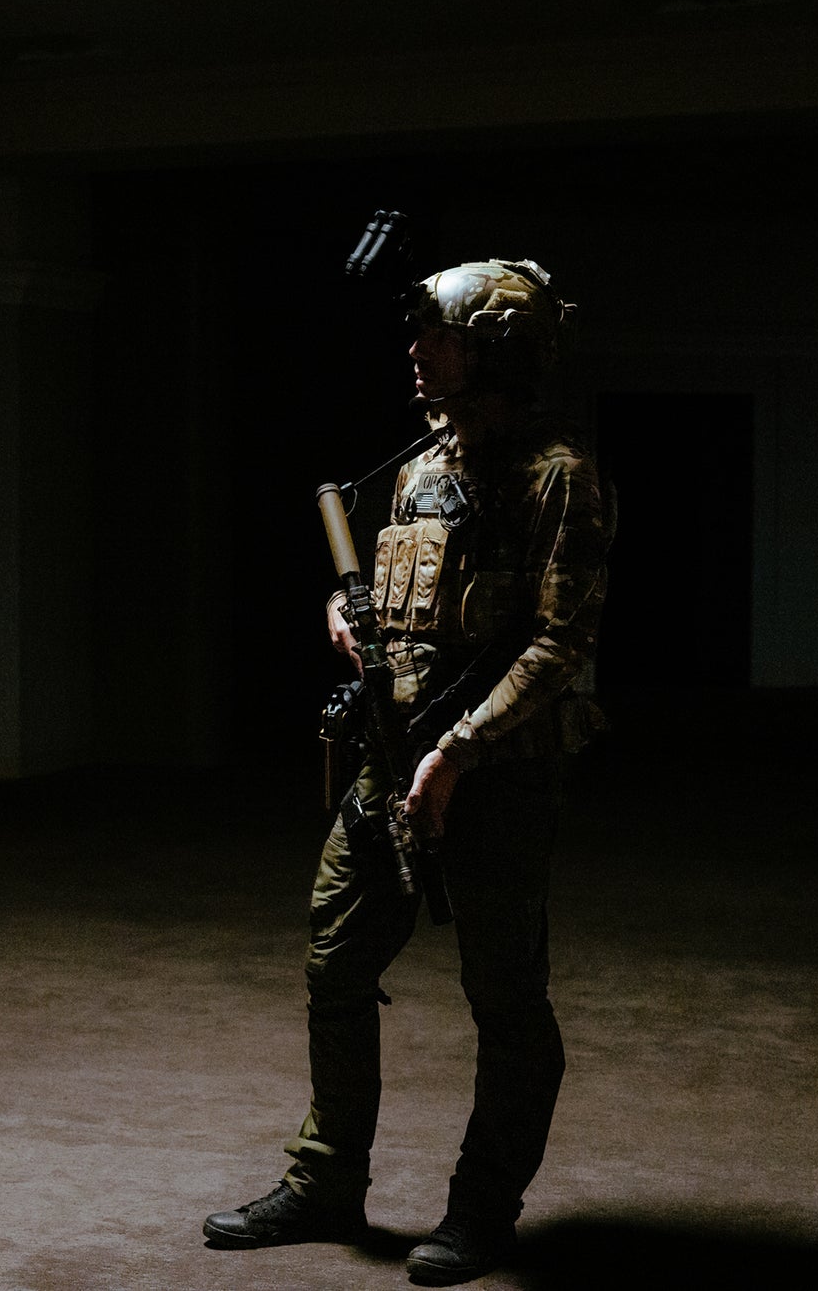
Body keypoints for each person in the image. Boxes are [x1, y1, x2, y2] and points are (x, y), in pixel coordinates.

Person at [203, 259, 608, 1286]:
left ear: (497, 350)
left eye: (440, 336)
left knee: (504, 998)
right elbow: (403, 598)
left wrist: (458, 751)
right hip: (392, 762)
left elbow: (559, 642)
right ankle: (325, 1179)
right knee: (335, 960)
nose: (416, 351)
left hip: (497, 773)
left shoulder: (557, 474)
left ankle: (482, 1208)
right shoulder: (421, 467)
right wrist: (345, 616)